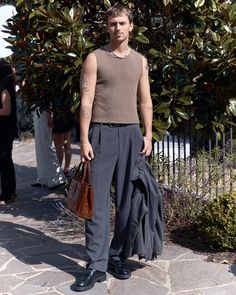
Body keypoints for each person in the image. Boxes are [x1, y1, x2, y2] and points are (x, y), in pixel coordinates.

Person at [71, 4, 153, 292]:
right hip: (102, 134)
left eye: (122, 23)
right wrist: (84, 138)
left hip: (132, 136)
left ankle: (118, 255)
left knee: (129, 202)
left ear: (131, 26)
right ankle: (96, 265)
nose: (117, 28)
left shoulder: (141, 61)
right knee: (97, 204)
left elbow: (145, 101)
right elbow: (86, 100)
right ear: (107, 27)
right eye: (112, 24)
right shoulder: (95, 58)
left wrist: (149, 134)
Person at [32, 107, 66, 189]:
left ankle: (57, 178)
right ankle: (42, 177)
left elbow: (47, 101)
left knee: (46, 145)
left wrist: (49, 116)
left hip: (44, 114)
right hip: (37, 112)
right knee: (39, 147)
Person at [0, 62, 18, 205]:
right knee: (5, 162)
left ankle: (8, 193)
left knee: (5, 162)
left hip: (5, 131)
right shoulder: (5, 89)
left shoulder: (5, 91)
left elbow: (6, 111)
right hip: (5, 130)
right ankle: (7, 192)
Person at [52, 104, 73, 176]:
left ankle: (58, 171)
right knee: (67, 144)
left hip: (58, 113)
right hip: (68, 113)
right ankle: (66, 169)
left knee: (58, 147)